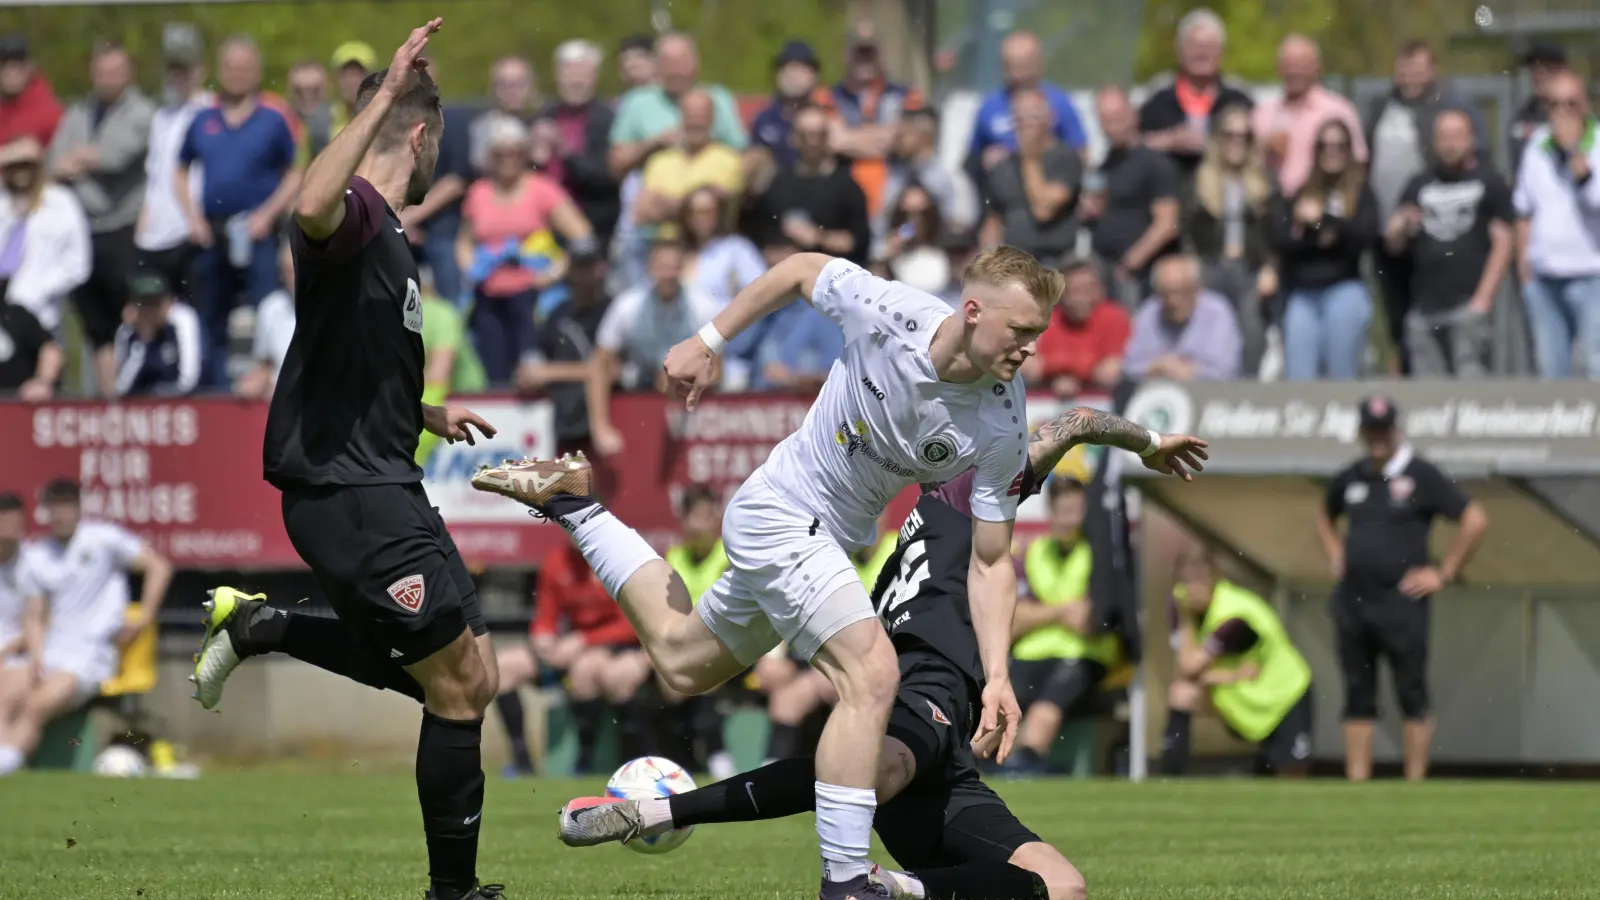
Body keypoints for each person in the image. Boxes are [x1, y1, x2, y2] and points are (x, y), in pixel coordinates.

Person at [473, 245, 1068, 900]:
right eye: (1020, 331)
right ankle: (846, 883)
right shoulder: (892, 312)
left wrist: (999, 676)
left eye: (1037, 334)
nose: (1030, 349)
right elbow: (801, 269)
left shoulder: (1002, 417)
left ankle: (573, 501)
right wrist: (708, 338)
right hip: (778, 512)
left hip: (831, 541)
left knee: (680, 660)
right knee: (872, 675)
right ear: (974, 310)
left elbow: (989, 560)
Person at [549, 404, 1207, 900]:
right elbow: (1075, 422)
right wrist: (1146, 442)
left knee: (1061, 887)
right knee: (868, 769)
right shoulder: (964, 495)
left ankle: (898, 889)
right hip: (925, 686)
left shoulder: (947, 501)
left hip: (951, 766)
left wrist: (1145, 443)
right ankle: (652, 812)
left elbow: (1072, 423)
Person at [186, 21, 503, 900]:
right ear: (418, 133)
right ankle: (453, 891)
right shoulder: (359, 210)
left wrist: (426, 412)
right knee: (454, 686)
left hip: (383, 480)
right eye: (433, 137)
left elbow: (349, 355)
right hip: (347, 492)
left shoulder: (391, 236)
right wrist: (382, 93)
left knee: (477, 670)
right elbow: (308, 205)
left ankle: (261, 627)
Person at [1316, 396, 1488, 782]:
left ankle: (1414, 784)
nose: (1377, 437)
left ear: (1396, 429)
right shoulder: (1351, 477)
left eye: (1384, 429)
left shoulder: (1421, 474)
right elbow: (1323, 517)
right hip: (1353, 603)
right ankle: (1356, 783)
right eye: (1370, 430)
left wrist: (1444, 572)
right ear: (1361, 432)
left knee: (1411, 691)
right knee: (1358, 694)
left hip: (1402, 603)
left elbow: (1474, 519)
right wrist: (1335, 553)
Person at [0, 479, 173, 777]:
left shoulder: (103, 539)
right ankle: (8, 752)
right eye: (56, 507)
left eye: (68, 507)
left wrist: (145, 614)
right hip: (51, 652)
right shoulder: (40, 555)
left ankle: (7, 764)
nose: (62, 515)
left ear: (79, 509)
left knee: (35, 703)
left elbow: (158, 566)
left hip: (91, 657)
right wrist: (38, 655)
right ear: (46, 512)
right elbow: (34, 615)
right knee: (6, 692)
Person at [48, 42, 155, 396]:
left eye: (115, 71)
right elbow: (53, 163)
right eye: (102, 72)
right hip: (82, 233)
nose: (108, 79)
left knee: (129, 315)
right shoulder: (78, 112)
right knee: (95, 325)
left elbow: (116, 156)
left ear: (128, 74)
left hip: (123, 228)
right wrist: (80, 159)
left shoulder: (142, 111)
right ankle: (109, 399)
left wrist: (77, 159)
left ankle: (135, 390)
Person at [1002, 477, 1120, 776]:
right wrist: (1061, 611)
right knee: (996, 711)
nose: (1070, 519)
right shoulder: (1032, 552)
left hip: (1084, 653)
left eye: (1076, 510)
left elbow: (1087, 620)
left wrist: (1037, 613)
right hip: (1031, 652)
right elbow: (1010, 621)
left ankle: (1024, 769)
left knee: (1044, 712)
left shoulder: (1099, 554)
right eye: (1063, 510)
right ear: (1050, 512)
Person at [1160, 548, 1314, 778]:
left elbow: (1191, 667)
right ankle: (1169, 779)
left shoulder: (1235, 615)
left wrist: (1208, 674)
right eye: (1187, 581)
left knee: (1291, 773)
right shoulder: (1179, 604)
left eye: (1201, 580)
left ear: (1215, 578)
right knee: (1181, 693)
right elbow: (1183, 670)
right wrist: (1231, 676)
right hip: (1241, 696)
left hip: (1283, 694)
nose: (1194, 589)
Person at [1384, 109, 1514, 378]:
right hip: (1423, 307)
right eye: (1443, 137)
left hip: (1467, 304)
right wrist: (1398, 226)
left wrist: (1483, 299)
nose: (1450, 144)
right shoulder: (1419, 183)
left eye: (1457, 136)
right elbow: (1394, 245)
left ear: (1471, 139)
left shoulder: (1489, 181)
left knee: (1471, 390)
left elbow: (1503, 243)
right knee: (1426, 398)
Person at [1272, 119, 1378, 381]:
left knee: (1341, 374)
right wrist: (1326, 236)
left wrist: (1320, 221)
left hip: (1344, 289)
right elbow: (1284, 242)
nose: (1332, 151)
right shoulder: (1300, 192)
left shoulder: (1362, 192)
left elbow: (1364, 238)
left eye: (1340, 145)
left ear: (1349, 150)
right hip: (1303, 293)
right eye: (1325, 145)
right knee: (1299, 376)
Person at [1513, 71, 1600, 380]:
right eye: (1554, 105)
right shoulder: (1537, 146)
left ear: (1586, 105)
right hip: (1543, 279)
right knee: (1551, 371)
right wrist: (1524, 265)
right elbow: (1523, 210)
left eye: (1570, 104)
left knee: (1594, 366)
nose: (1562, 113)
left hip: (1591, 276)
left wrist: (1576, 159)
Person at [1182, 103, 1277, 377]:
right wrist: (1192, 267)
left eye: (1244, 136)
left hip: (1250, 269)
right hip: (1211, 267)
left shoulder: (1264, 182)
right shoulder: (1198, 181)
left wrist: (1271, 268)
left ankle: (1246, 392)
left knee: (1252, 335)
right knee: (1210, 338)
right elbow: (1187, 231)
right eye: (1230, 135)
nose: (1237, 143)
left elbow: (1274, 233)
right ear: (1218, 138)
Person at [112, 272, 202, 397]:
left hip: (183, 401)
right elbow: (121, 387)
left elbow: (188, 381)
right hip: (142, 406)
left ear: (168, 302)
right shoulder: (128, 332)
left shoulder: (181, 321)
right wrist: (142, 343)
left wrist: (157, 394)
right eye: (144, 303)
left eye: (155, 303)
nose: (150, 310)